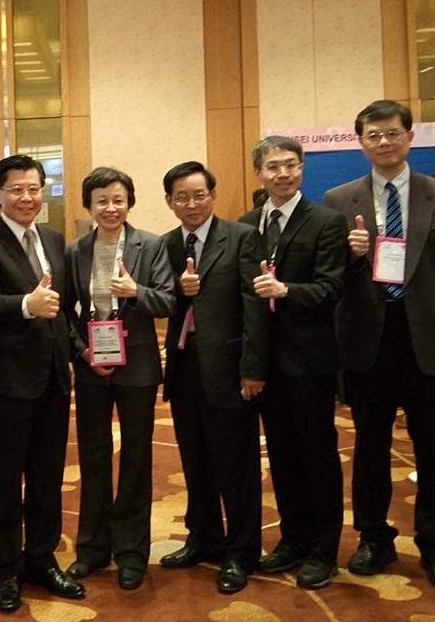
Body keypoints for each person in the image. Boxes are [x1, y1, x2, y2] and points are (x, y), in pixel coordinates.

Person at [323, 99, 435, 592]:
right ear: (361, 141)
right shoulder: (339, 199)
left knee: (432, 449)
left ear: (409, 137)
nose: (384, 142)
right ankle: (374, 538)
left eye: (392, 133)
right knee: (368, 446)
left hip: (428, 340)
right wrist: (350, 258)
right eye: (373, 134)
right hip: (368, 341)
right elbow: (331, 281)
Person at [0, 155, 84, 613]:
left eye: (34, 188)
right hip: (8, 381)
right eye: (16, 189)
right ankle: (6, 570)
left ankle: (41, 558)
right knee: (4, 479)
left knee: (46, 477)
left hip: (54, 378)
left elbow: (66, 310)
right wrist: (26, 305)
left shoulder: (54, 239)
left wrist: (78, 351)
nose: (27, 197)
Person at [240, 137, 348, 590]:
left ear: (302, 169)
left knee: (317, 453)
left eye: (290, 165)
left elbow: (332, 287)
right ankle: (292, 538)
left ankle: (324, 548)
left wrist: (288, 292)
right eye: (272, 167)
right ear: (259, 175)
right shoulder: (246, 226)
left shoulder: (326, 221)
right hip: (266, 363)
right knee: (281, 454)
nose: (282, 174)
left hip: (311, 360)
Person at [62, 166, 176, 590]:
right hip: (93, 364)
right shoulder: (76, 250)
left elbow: (166, 300)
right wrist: (82, 352)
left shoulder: (153, 245)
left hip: (139, 364)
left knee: (135, 457)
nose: (110, 208)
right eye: (101, 201)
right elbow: (64, 311)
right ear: (88, 206)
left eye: (118, 200)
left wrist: (135, 293)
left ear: (130, 202)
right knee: (92, 457)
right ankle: (91, 548)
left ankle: (131, 552)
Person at [158, 161, 268, 594]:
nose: (191, 204)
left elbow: (254, 305)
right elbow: (166, 301)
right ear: (169, 202)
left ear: (213, 195)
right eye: (181, 197)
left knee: (236, 464)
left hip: (230, 369)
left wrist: (253, 368)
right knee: (195, 459)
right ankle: (203, 537)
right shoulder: (167, 244)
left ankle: (242, 552)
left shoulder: (240, 236)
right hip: (185, 368)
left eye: (199, 195)